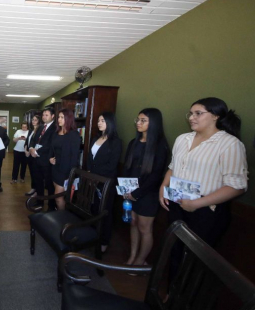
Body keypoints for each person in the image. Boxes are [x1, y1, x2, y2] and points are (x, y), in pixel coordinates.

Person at [159, 97, 247, 281]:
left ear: (215, 116)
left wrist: (197, 203)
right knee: (174, 251)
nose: (192, 117)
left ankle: (186, 302)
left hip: (207, 211)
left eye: (198, 113)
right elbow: (173, 167)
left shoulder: (230, 144)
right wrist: (163, 186)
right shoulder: (182, 139)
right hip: (177, 203)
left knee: (195, 260)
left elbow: (237, 186)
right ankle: (169, 296)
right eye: (190, 113)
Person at [123, 108, 168, 267]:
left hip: (147, 194)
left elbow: (156, 176)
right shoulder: (133, 143)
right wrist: (125, 189)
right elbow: (127, 169)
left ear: (153, 123)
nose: (138, 123)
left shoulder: (159, 146)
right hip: (130, 193)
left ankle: (140, 261)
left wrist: (137, 193)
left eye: (143, 120)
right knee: (133, 222)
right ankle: (133, 255)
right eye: (138, 120)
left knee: (144, 228)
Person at [87, 112, 122, 253]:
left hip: (106, 182)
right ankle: (93, 236)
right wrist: (89, 173)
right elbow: (90, 159)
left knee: (105, 211)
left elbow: (112, 165)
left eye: (103, 120)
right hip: (92, 180)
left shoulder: (116, 142)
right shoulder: (96, 138)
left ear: (110, 122)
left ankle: (104, 241)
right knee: (94, 209)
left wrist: (96, 177)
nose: (99, 123)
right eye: (98, 120)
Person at [49, 109, 81, 210]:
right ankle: (59, 214)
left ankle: (62, 220)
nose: (59, 119)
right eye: (59, 117)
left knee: (59, 197)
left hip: (66, 171)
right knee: (58, 196)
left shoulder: (74, 135)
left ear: (68, 119)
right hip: (55, 168)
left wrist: (70, 175)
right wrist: (50, 158)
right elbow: (52, 149)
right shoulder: (56, 133)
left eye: (62, 117)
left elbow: (74, 157)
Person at [29, 108, 57, 211]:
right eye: (43, 115)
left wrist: (36, 152)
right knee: (38, 181)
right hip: (36, 160)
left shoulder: (55, 128)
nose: (44, 117)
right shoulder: (41, 127)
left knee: (49, 185)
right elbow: (33, 139)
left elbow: (51, 145)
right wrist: (31, 148)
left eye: (46, 115)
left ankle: (51, 205)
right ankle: (40, 201)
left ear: (52, 116)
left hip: (46, 160)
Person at [24, 114, 42, 196]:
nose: (33, 121)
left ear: (39, 121)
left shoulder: (40, 130)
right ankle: (33, 188)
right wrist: (26, 150)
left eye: (35, 120)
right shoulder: (30, 130)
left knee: (36, 174)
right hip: (28, 155)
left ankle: (37, 191)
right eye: (32, 120)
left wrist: (31, 151)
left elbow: (38, 144)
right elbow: (27, 142)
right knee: (31, 173)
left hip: (35, 155)